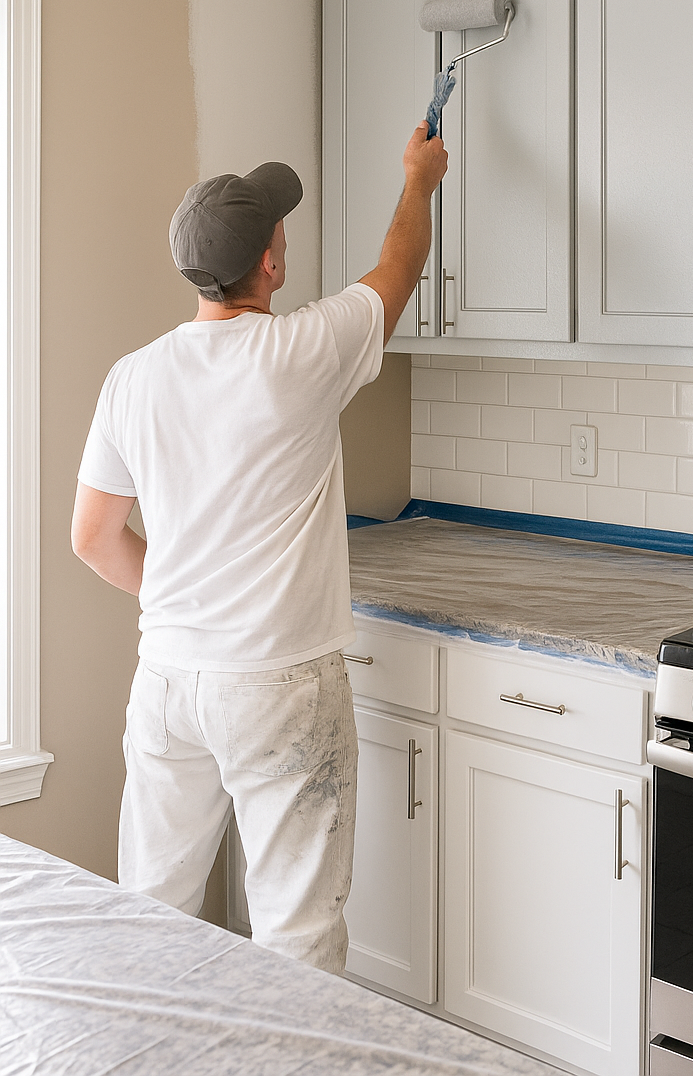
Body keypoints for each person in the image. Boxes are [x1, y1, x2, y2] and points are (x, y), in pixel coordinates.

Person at [70, 120, 447, 974]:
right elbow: (397, 270)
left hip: (167, 679)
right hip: (280, 683)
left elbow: (92, 537)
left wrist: (187, 604)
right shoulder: (300, 352)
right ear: (270, 266)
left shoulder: (133, 375)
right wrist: (419, 179)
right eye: (282, 232)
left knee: (152, 916)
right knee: (297, 936)